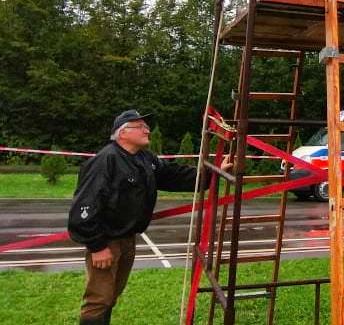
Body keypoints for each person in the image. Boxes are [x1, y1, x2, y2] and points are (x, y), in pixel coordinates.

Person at [68, 110, 232, 324]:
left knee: (111, 295)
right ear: (123, 133)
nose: (147, 130)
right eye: (140, 126)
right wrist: (97, 247)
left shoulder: (145, 158)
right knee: (99, 298)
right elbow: (84, 207)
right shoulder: (105, 160)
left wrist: (213, 172)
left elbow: (173, 176)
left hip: (127, 239)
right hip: (106, 241)